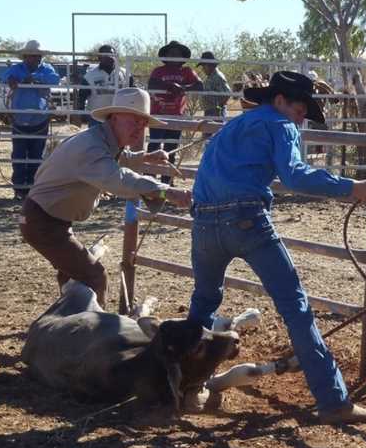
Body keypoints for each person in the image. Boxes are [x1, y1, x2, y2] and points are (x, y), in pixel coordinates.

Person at [187, 70, 366, 425]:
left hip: (204, 223)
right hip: (246, 219)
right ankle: (333, 400)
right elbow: (293, 176)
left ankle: (184, 386)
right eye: (299, 108)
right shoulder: (280, 125)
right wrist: (352, 187)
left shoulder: (233, 126)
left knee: (203, 302)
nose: (301, 117)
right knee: (295, 307)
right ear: (280, 101)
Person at [20, 87, 192, 308]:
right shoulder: (92, 147)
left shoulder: (99, 140)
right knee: (95, 277)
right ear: (115, 117)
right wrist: (166, 191)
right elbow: (118, 178)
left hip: (47, 218)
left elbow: (118, 159)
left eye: (143, 123)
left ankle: (68, 322)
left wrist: (146, 157)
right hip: (43, 222)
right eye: (134, 120)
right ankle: (92, 330)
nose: (140, 128)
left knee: (75, 274)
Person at [1, 40, 61, 200]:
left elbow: (55, 79)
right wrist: (14, 80)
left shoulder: (46, 69)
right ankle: (20, 189)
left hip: (39, 118)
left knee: (37, 156)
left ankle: (33, 189)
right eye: (34, 56)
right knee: (19, 155)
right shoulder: (16, 69)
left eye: (38, 56)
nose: (37, 58)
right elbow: (5, 76)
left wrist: (34, 78)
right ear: (26, 56)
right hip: (20, 118)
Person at [147, 41, 203, 184]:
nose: (174, 56)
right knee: (154, 146)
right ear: (166, 56)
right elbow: (151, 84)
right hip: (158, 114)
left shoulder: (187, 72)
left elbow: (199, 85)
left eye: (177, 54)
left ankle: (167, 179)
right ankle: (149, 178)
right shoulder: (159, 71)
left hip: (177, 115)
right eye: (171, 53)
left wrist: (183, 87)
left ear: (182, 57)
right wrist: (169, 86)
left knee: (171, 147)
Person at [77, 44, 132, 127]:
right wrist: (82, 114)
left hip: (119, 117)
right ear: (99, 58)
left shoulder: (126, 74)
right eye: (106, 55)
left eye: (112, 54)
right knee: (97, 140)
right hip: (96, 118)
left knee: (117, 140)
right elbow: (82, 96)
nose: (110, 57)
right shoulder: (90, 76)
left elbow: (133, 93)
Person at [198, 50, 231, 122]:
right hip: (209, 112)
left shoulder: (218, 76)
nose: (203, 68)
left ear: (210, 64)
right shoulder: (210, 77)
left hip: (216, 113)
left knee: (215, 132)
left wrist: (219, 108)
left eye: (204, 65)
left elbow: (227, 93)